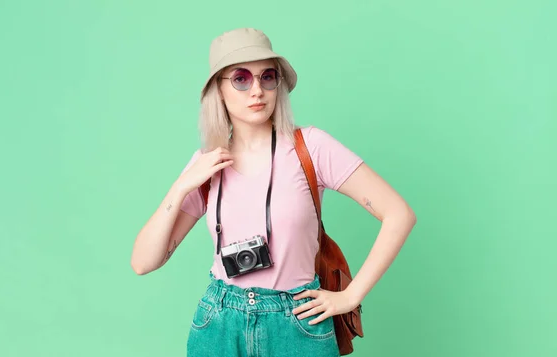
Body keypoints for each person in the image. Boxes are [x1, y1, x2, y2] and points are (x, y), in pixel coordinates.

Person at [131, 28, 417, 357]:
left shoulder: (311, 147)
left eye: (267, 77)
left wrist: (350, 297)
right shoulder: (207, 165)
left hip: (296, 322)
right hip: (221, 321)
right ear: (218, 90)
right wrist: (180, 187)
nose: (257, 90)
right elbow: (143, 262)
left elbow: (399, 214)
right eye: (241, 78)